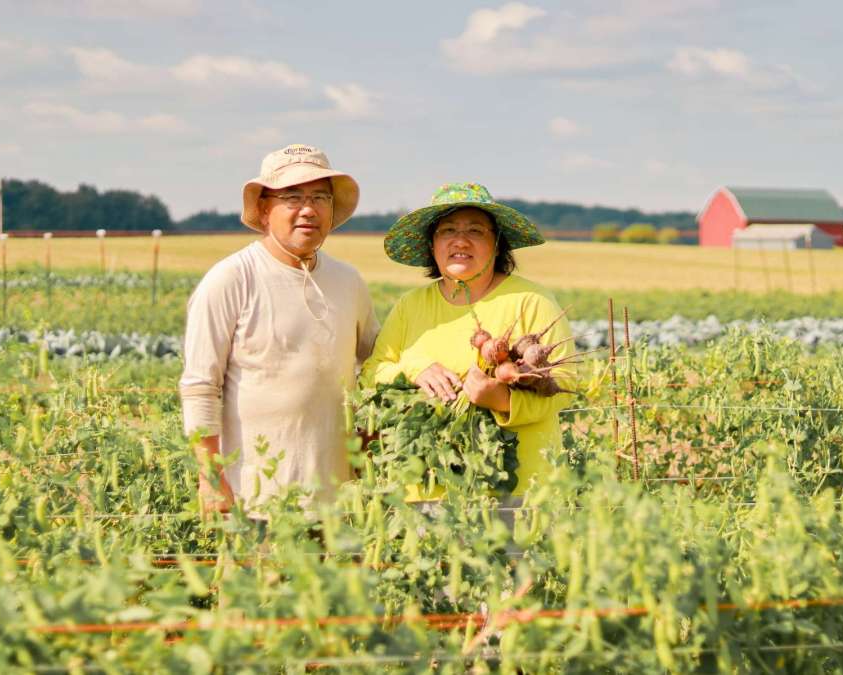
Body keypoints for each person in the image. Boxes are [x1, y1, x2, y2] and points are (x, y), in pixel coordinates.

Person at [180, 144, 379, 515]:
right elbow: (200, 386)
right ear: (264, 209)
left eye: (320, 197)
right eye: (293, 197)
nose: (309, 209)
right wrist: (210, 478)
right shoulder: (232, 279)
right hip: (253, 497)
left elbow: (380, 363)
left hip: (339, 499)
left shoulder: (348, 281)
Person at [360, 182, 575, 500]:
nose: (460, 241)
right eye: (447, 230)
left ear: (498, 244)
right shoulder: (411, 305)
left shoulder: (531, 300)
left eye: (475, 231)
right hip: (425, 490)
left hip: (520, 492)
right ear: (432, 244)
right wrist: (414, 370)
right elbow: (372, 373)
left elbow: (565, 385)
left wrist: (503, 401)